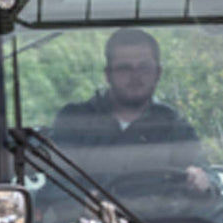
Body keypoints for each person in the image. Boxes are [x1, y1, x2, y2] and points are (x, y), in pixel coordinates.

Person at [49, 28, 211, 195]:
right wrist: (86, 201)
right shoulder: (75, 122)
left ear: (158, 73)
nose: (135, 76)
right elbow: (52, 186)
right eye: (124, 68)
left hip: (157, 212)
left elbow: (209, 180)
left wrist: (201, 180)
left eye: (144, 68)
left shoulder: (174, 126)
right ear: (108, 74)